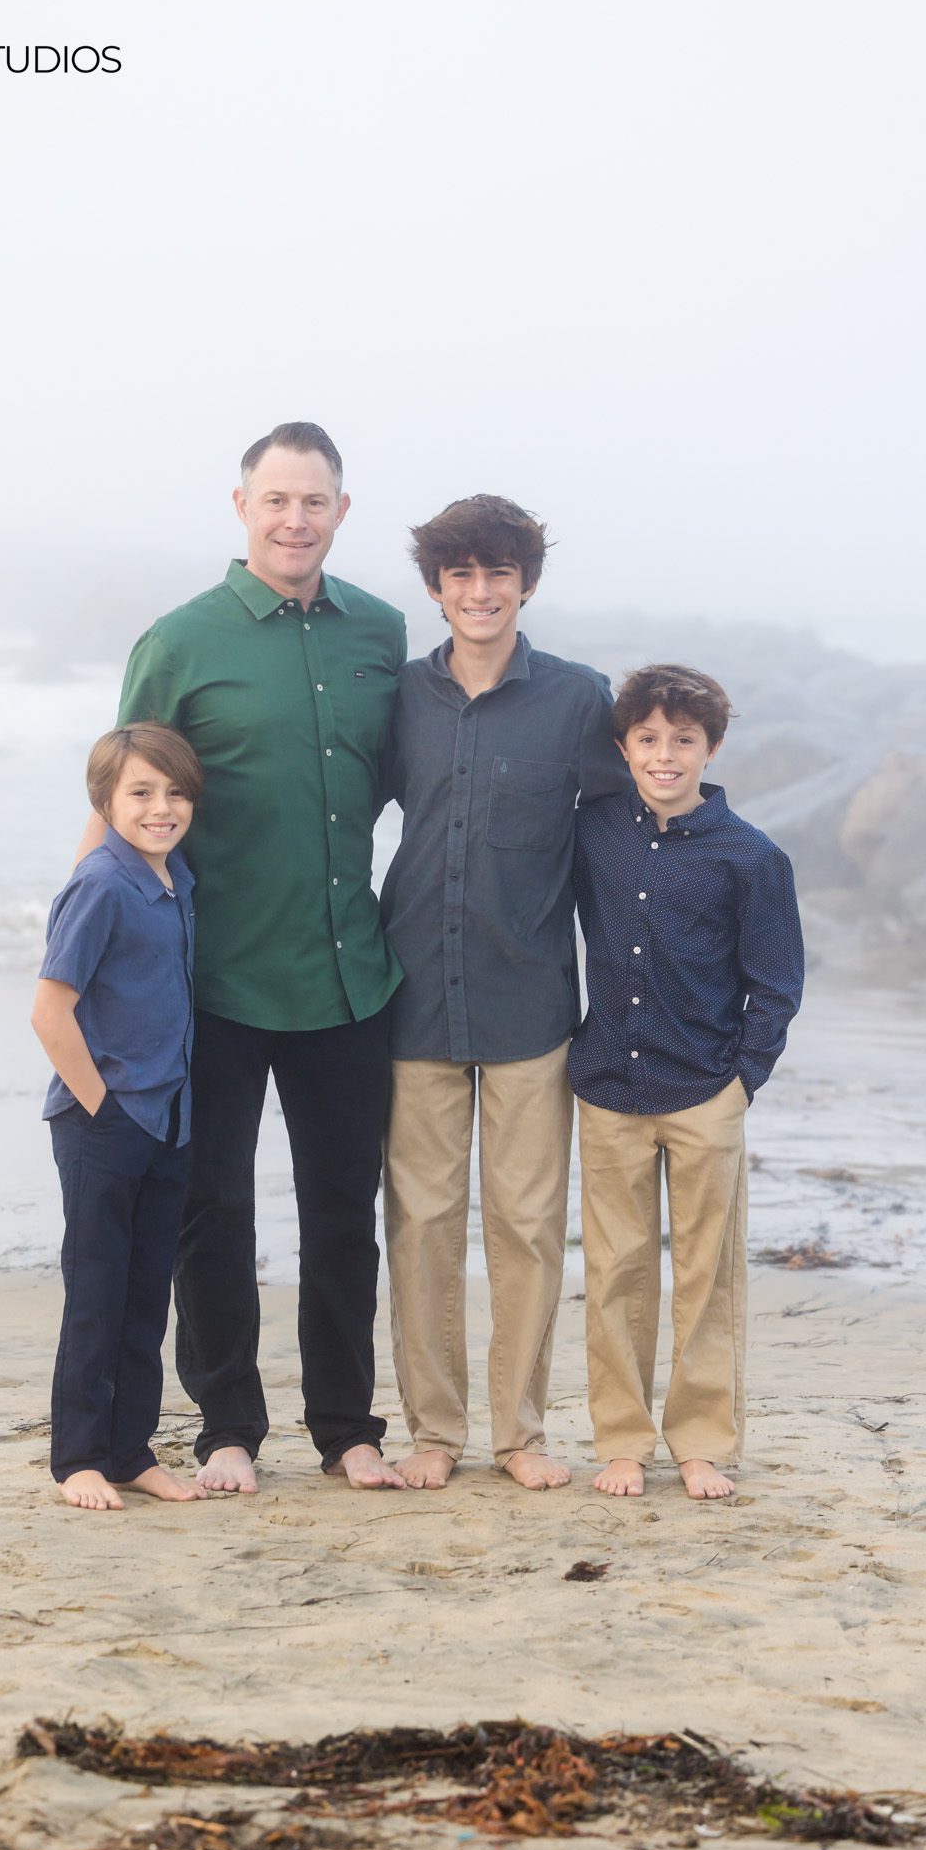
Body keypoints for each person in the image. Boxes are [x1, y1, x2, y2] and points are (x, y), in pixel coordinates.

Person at [74, 422, 407, 1493]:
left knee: (343, 1216)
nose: (295, 519)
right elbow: (118, 803)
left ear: (341, 512)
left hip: (352, 976)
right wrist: (72, 971)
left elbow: (429, 787)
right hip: (209, 985)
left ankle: (350, 1425)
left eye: (314, 501)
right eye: (276, 500)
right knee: (211, 1211)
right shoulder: (180, 641)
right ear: (242, 506)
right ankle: (227, 1425)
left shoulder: (384, 632)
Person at [379, 495, 623, 1489]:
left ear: (526, 581)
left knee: (525, 1225)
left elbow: (611, 849)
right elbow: (349, 817)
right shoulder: (399, 696)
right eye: (461, 574)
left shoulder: (577, 697)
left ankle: (519, 1433)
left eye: (498, 572)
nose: (480, 592)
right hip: (415, 996)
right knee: (422, 1221)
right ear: (437, 587)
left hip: (530, 1003)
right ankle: (434, 1429)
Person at [571, 664, 804, 1500]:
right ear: (623, 747)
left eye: (682, 740)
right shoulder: (594, 828)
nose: (663, 755)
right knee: (614, 1277)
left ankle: (702, 1441)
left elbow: (774, 984)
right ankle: (623, 1441)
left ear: (710, 747)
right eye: (646, 739)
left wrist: (740, 1082)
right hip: (605, 1086)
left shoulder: (751, 856)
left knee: (707, 1276)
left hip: (705, 1093)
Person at [32, 722, 207, 1510]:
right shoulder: (101, 883)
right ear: (104, 801)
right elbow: (48, 1011)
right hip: (105, 1122)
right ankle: (78, 1459)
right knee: (98, 1290)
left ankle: (131, 1449)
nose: (160, 807)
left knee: (146, 1294)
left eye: (174, 793)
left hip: (168, 1118)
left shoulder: (172, 879)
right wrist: (102, 1107)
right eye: (140, 792)